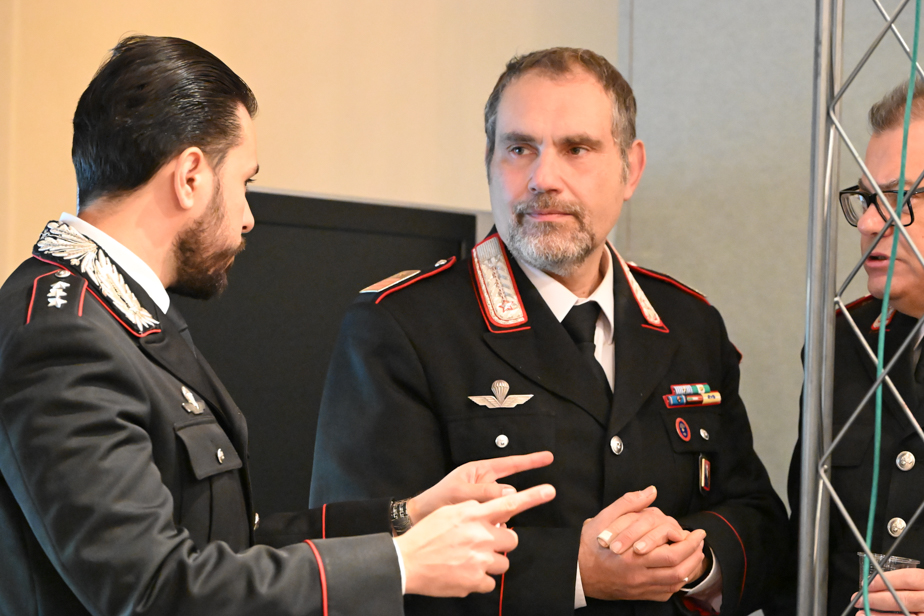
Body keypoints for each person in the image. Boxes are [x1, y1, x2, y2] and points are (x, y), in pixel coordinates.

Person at [0, 35, 559, 616]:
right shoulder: (63, 336)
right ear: (191, 176)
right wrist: (401, 564)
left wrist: (406, 517)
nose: (247, 219)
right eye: (244, 183)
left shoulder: (117, 316)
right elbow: (152, 590)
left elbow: (228, 542)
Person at [311, 47, 788, 615]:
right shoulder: (402, 323)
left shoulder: (690, 324)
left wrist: (698, 558)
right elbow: (359, 563)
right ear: (489, 161)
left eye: (577, 149)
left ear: (631, 168)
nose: (543, 178)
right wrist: (575, 572)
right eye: (519, 149)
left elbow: (758, 518)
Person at [783, 79, 924, 616]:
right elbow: (803, 557)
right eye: (867, 199)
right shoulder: (840, 341)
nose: (867, 223)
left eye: (898, 199)